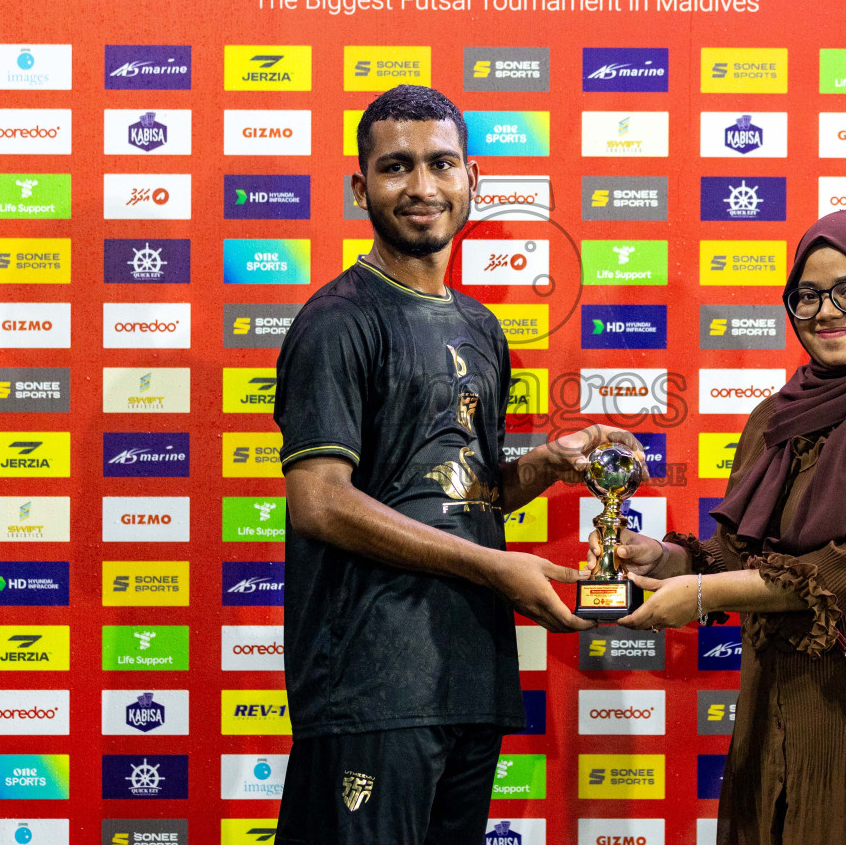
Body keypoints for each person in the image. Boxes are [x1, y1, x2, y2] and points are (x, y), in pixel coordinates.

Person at [273, 84, 645, 844]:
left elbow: (456, 495)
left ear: (472, 182)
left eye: (441, 164)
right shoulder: (336, 323)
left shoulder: (481, 326)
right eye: (396, 167)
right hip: (371, 685)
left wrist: (545, 463)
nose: (420, 187)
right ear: (360, 187)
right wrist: (493, 571)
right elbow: (320, 501)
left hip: (468, 675)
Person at [587, 209, 846, 844]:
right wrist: (666, 561)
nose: (826, 310)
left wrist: (701, 597)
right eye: (806, 295)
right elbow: (741, 554)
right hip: (776, 715)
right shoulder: (777, 417)